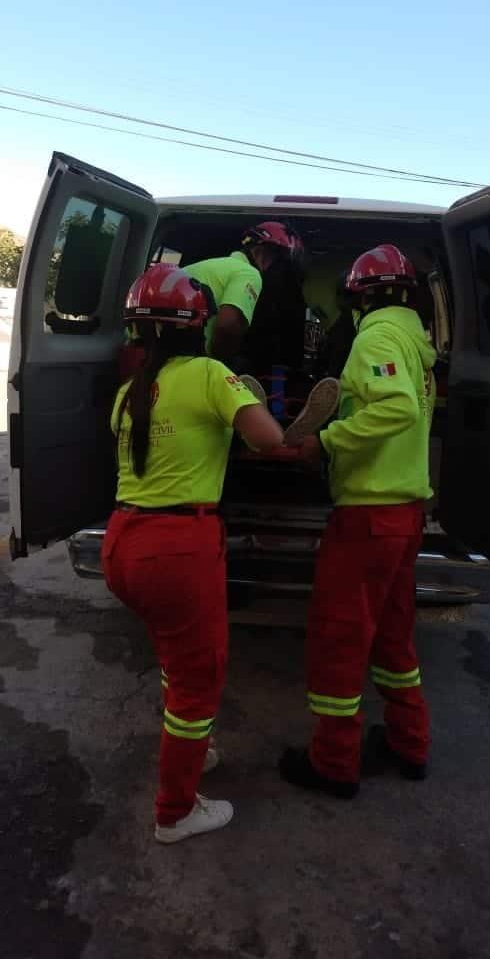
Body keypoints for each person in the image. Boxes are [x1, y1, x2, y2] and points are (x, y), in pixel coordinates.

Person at [102, 264, 283, 843]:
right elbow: (269, 438)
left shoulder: (129, 392)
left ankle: (191, 750)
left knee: (174, 658)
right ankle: (175, 811)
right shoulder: (210, 373)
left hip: (122, 544)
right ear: (196, 326)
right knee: (198, 678)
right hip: (177, 550)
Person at [280, 245, 437, 798]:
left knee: (339, 639)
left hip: (369, 515)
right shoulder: (415, 344)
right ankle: (408, 743)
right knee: (393, 639)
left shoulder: (375, 337)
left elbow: (396, 408)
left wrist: (324, 441)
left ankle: (334, 762)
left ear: (361, 296)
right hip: (404, 514)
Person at [183, 221, 304, 367]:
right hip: (196, 365)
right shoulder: (249, 273)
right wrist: (221, 365)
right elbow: (227, 327)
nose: (279, 268)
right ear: (262, 251)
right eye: (279, 259)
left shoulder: (208, 266)